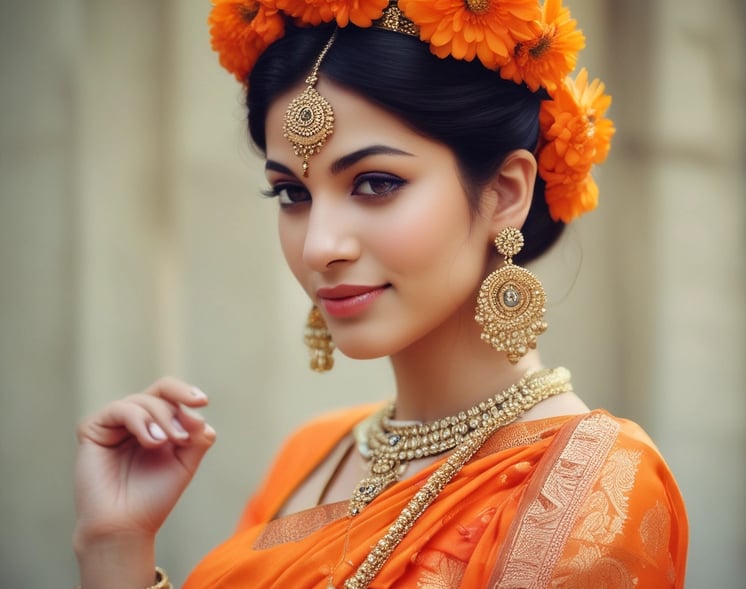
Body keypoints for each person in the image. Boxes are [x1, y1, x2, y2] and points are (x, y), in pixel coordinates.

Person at [72, 0, 689, 587]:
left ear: (505, 193)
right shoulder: (313, 453)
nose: (319, 247)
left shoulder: (590, 480)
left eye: (375, 183)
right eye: (292, 194)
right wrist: (115, 544)